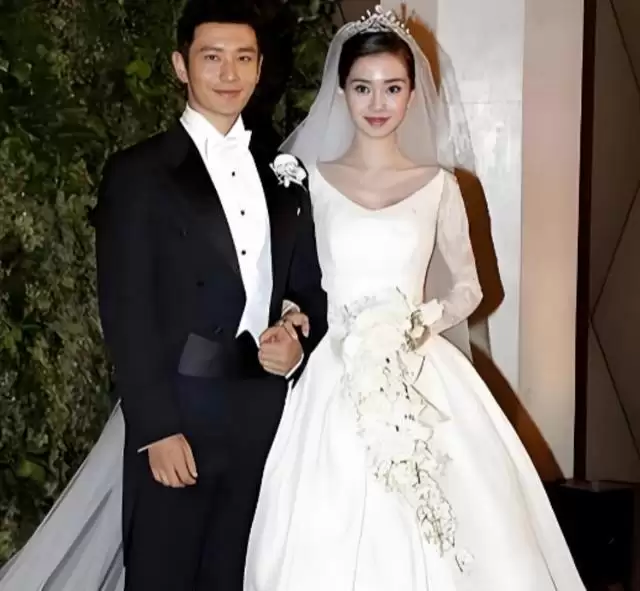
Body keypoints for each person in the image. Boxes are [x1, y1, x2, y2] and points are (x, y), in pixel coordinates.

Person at [243, 7, 586, 590]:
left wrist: (417, 323)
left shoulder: (439, 186)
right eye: (363, 87)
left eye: (392, 87)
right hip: (335, 378)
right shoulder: (310, 182)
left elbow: (471, 288)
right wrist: (293, 315)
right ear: (341, 91)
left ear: (412, 94)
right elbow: (289, 279)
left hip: (423, 366)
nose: (377, 102)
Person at [0, 1, 326, 590]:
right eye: (212, 57)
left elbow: (308, 289)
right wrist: (155, 427)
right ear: (181, 66)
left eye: (243, 58)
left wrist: (298, 340)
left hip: (264, 416)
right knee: (163, 574)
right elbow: (126, 311)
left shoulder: (284, 174)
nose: (229, 73)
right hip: (181, 412)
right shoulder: (138, 174)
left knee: (238, 575)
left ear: (259, 68)